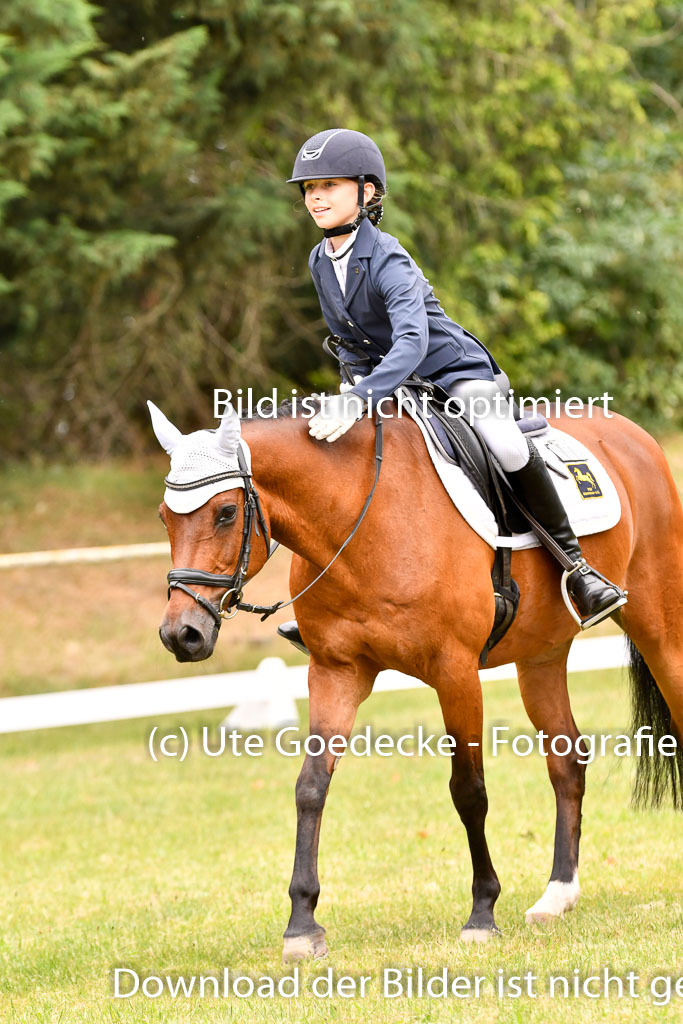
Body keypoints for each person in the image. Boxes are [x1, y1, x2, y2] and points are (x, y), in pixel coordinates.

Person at [278, 128, 626, 650]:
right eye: (308, 188)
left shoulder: (390, 259)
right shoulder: (319, 260)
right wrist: (347, 390)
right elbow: (348, 340)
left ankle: (578, 568)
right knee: (339, 457)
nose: (316, 197)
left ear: (367, 192)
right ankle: (333, 598)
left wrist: (361, 397)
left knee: (504, 442)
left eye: (329, 184)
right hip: (392, 383)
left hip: (452, 372)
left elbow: (413, 342)